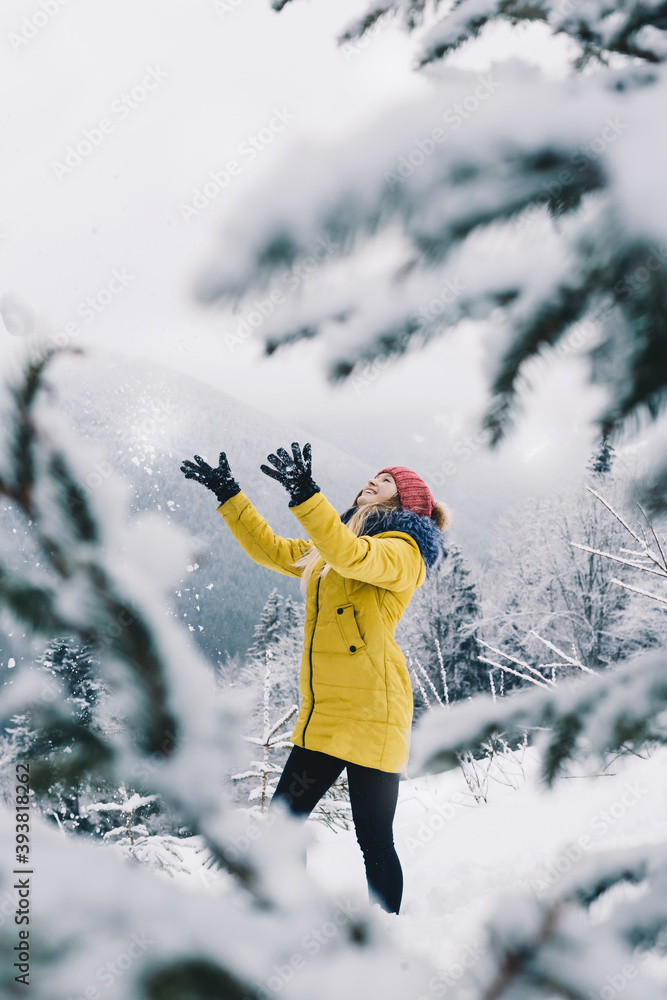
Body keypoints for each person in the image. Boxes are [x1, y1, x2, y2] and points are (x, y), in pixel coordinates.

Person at [180, 442, 450, 914]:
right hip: (325, 716)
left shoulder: (403, 552)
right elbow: (274, 551)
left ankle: (387, 934)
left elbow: (351, 557)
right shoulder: (334, 546)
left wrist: (305, 492)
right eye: (374, 473)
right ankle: (289, 922)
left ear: (403, 502)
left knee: (374, 840)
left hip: (374, 714)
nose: (373, 480)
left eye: (386, 480)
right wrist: (230, 495)